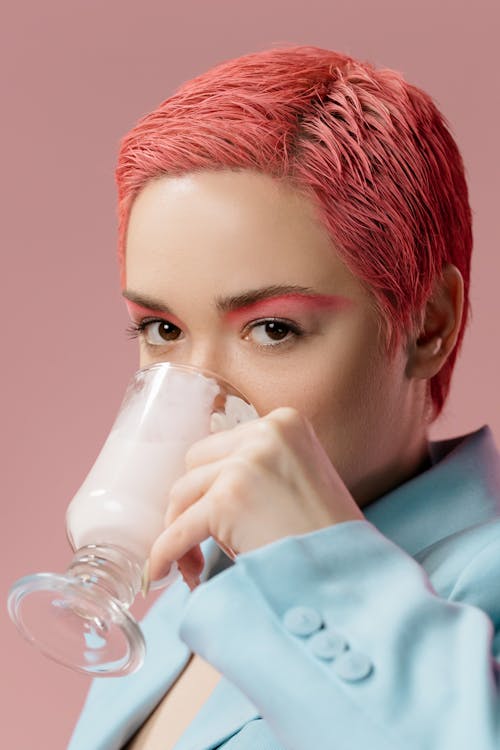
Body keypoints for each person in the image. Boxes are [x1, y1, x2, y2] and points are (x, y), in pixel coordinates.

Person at [68, 45, 500, 750]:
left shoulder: (481, 580)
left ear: (430, 324)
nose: (199, 396)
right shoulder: (177, 599)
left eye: (273, 329)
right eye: (163, 328)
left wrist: (314, 562)